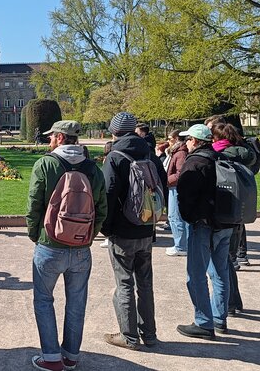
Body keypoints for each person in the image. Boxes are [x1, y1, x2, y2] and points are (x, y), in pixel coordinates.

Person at [26, 121, 107, 371]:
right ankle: (71, 355)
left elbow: (34, 204)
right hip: (81, 248)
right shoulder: (93, 168)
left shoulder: (46, 164)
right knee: (77, 302)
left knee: (43, 300)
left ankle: (51, 358)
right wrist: (88, 236)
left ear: (60, 138)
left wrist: (34, 234)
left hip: (49, 244)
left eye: (52, 136)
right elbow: (102, 208)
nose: (50, 140)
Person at [101, 112, 167, 350]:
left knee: (125, 283)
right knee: (145, 283)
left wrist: (106, 228)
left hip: (123, 229)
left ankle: (128, 336)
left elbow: (107, 194)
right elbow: (163, 185)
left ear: (114, 131)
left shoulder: (115, 156)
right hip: (146, 227)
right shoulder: (149, 152)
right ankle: (149, 334)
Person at [176, 124, 234, 340]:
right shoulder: (220, 158)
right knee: (220, 273)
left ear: (195, 140)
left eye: (188, 139)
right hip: (225, 224)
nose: (186, 143)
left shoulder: (196, 161)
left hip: (204, 224)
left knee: (196, 275)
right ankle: (219, 318)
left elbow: (185, 194)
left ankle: (203, 322)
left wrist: (189, 218)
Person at [211, 123, 256, 317]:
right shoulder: (244, 154)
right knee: (228, 260)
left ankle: (228, 303)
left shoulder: (221, 155)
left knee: (222, 262)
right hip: (239, 212)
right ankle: (235, 301)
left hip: (224, 212)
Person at [165, 130, 189, 256]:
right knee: (174, 216)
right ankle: (180, 244)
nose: (168, 141)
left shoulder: (181, 153)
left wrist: (167, 180)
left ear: (176, 139)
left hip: (176, 187)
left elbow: (180, 173)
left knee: (175, 217)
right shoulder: (177, 152)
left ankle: (180, 246)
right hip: (174, 186)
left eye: (170, 138)